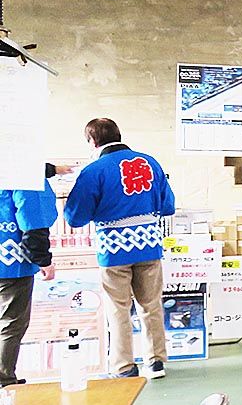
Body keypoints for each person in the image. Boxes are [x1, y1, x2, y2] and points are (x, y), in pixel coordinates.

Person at [64, 119, 175, 379]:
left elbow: (75, 217)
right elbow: (168, 205)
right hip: (149, 244)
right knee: (151, 305)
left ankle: (124, 366)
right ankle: (155, 362)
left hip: (114, 249)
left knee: (118, 308)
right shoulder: (150, 162)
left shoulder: (94, 171)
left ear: (93, 141)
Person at [0, 175, 57, 387]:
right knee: (11, 323)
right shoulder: (24, 174)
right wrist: (43, 259)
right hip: (9, 263)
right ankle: (4, 380)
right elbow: (32, 218)